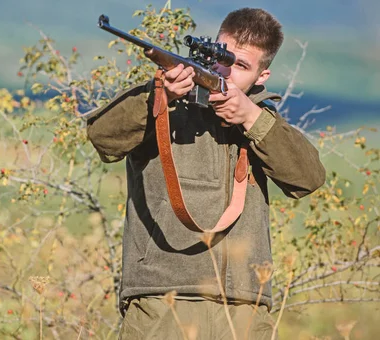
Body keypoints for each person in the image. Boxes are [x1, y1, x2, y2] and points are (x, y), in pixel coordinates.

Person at [85, 7, 326, 340]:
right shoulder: (163, 98)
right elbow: (102, 138)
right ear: (212, 47)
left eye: (241, 66)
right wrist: (161, 98)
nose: (226, 68)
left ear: (261, 77)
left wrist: (251, 118)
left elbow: (308, 178)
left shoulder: (261, 120)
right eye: (222, 56)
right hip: (163, 300)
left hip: (243, 308)